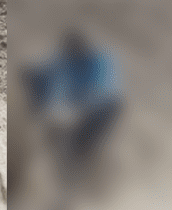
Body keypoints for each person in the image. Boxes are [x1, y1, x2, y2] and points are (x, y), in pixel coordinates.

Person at [22, 30, 123, 171]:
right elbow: (41, 72)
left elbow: (99, 93)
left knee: (81, 140)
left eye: (76, 52)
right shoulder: (66, 61)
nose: (73, 55)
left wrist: (71, 109)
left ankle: (81, 157)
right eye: (71, 52)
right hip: (75, 108)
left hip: (101, 108)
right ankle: (69, 156)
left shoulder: (98, 62)